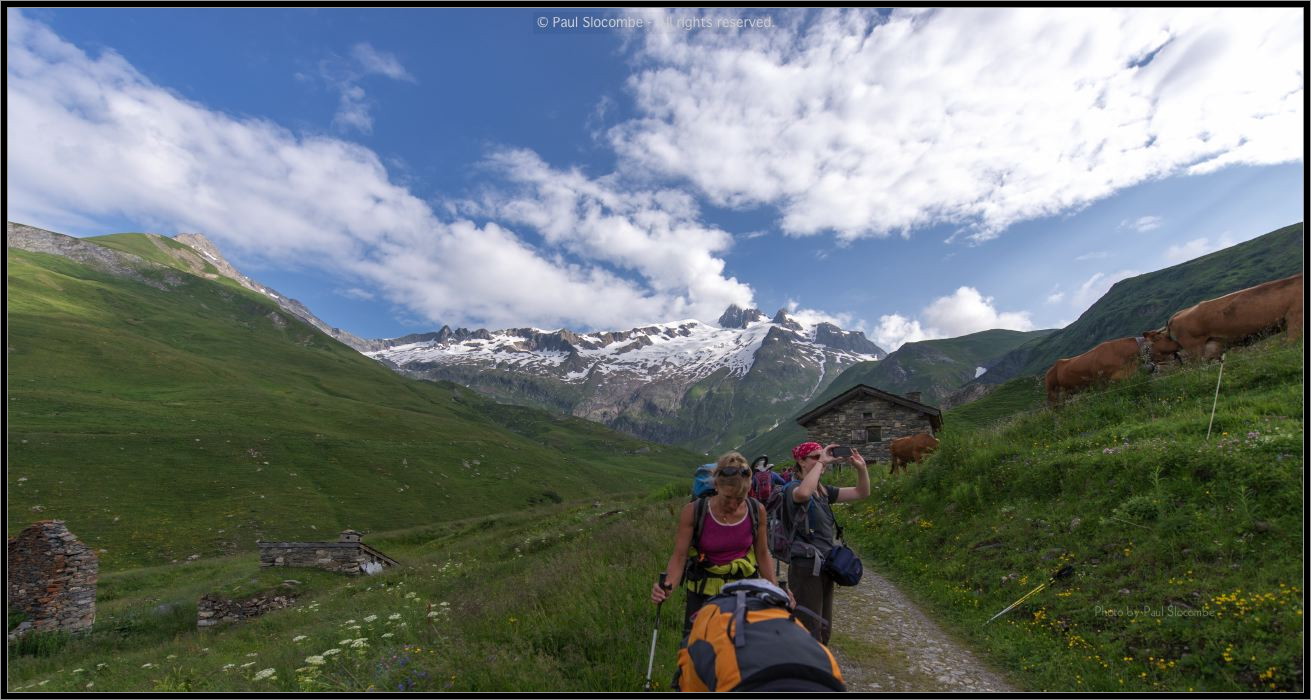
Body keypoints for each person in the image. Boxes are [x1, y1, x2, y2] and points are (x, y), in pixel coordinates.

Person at [652, 451, 792, 638]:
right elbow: (680, 556)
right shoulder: (694, 511)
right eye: (728, 498)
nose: (734, 505)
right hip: (703, 593)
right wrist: (667, 585)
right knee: (698, 652)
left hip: (744, 592)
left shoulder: (756, 510)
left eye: (740, 498)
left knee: (741, 651)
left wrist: (775, 590)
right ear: (716, 485)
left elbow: (762, 554)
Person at [781, 441, 871, 643]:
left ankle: (820, 664)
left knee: (823, 624)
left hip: (825, 564)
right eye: (814, 457)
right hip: (805, 565)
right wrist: (822, 462)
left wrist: (862, 468)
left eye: (821, 456)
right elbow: (803, 494)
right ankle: (804, 667)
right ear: (801, 461)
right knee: (806, 624)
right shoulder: (793, 488)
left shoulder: (822, 491)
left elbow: (861, 493)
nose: (821, 460)